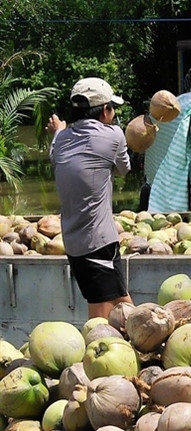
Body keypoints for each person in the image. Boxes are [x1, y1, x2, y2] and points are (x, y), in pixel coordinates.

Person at [46, 77, 133, 319]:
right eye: (112, 109)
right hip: (97, 241)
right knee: (101, 319)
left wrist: (59, 131)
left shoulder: (59, 141)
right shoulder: (114, 135)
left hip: (74, 242)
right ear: (105, 110)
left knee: (122, 302)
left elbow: (60, 150)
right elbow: (123, 169)